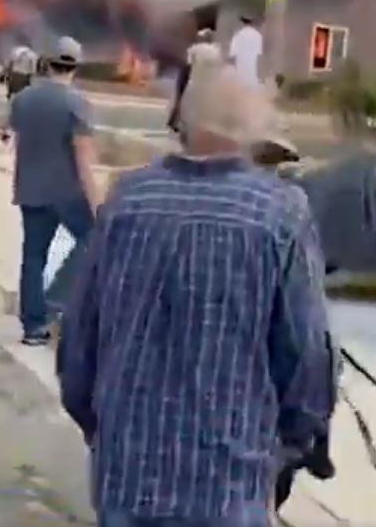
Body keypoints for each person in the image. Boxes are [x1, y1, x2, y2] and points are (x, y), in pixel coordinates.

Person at [57, 65, 336, 527]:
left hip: (126, 477)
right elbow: (308, 357)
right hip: (228, 483)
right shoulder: (280, 213)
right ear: (254, 135)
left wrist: (102, 430)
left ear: (183, 124)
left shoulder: (127, 200)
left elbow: (78, 342)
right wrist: (288, 449)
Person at [5, 36, 104, 346]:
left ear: (46, 63)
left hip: (31, 188)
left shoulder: (22, 99)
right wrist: (98, 205)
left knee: (33, 257)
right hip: (67, 191)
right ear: (75, 66)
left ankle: (32, 326)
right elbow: (83, 158)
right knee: (94, 240)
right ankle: (56, 302)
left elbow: (17, 144)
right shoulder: (76, 103)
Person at [167, 29, 223, 133]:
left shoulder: (194, 49)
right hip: (208, 83)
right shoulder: (216, 51)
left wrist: (181, 83)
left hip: (194, 81)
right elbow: (218, 68)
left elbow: (187, 66)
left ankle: (178, 124)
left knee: (186, 105)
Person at [228, 13, 265, 88]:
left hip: (241, 61)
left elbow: (232, 53)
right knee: (251, 78)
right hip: (252, 61)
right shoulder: (257, 35)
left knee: (241, 80)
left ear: (242, 23)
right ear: (252, 23)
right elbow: (259, 52)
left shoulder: (238, 35)